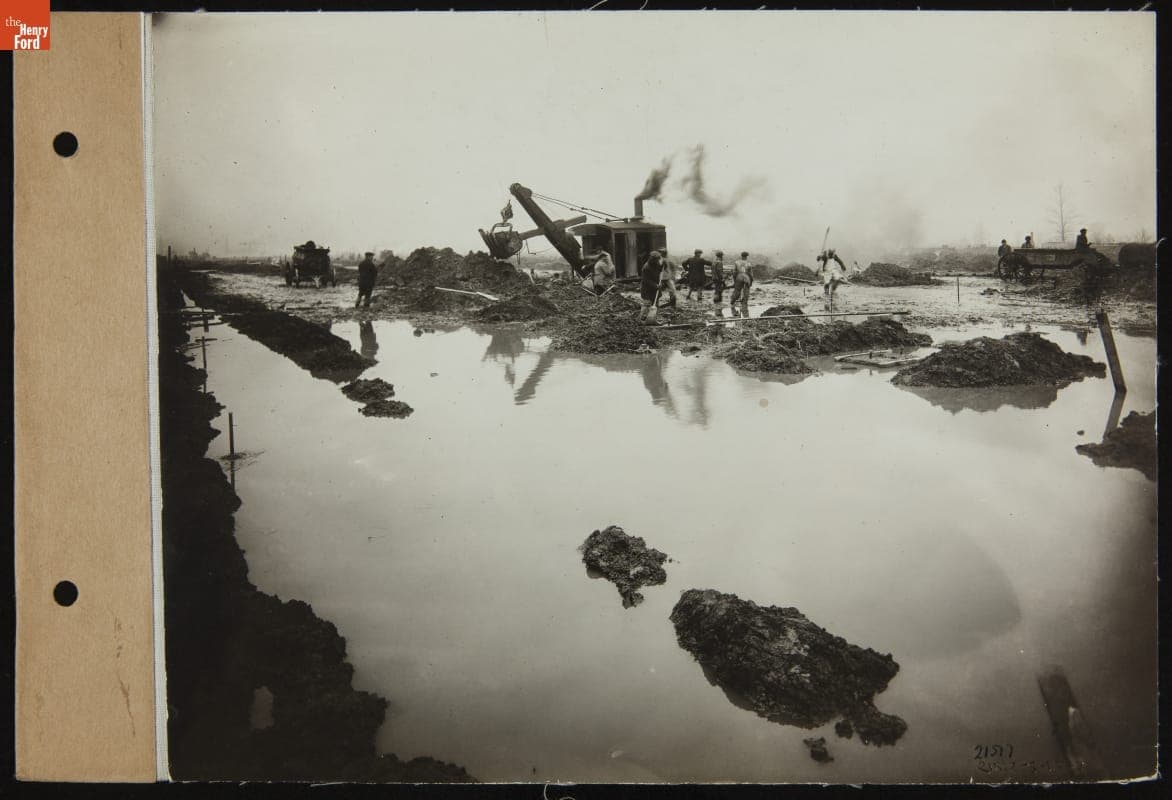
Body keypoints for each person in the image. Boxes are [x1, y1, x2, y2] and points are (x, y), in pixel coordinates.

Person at [638, 251, 665, 325]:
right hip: (647, 289)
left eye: (658, 259)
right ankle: (640, 320)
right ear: (652, 259)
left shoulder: (655, 264)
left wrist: (662, 266)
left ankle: (653, 320)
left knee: (656, 305)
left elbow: (659, 269)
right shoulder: (646, 267)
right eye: (656, 259)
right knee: (646, 305)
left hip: (655, 289)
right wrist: (655, 285)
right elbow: (646, 280)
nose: (658, 261)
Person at [730, 251, 753, 317]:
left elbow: (734, 272)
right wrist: (751, 281)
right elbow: (751, 274)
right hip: (746, 277)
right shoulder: (748, 263)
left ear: (741, 256)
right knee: (746, 292)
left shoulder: (736, 262)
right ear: (746, 256)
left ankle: (732, 301)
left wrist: (735, 280)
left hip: (739, 277)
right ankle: (744, 305)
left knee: (737, 291)